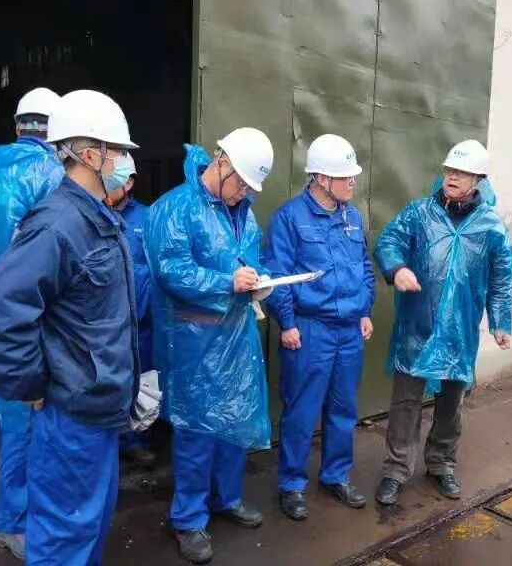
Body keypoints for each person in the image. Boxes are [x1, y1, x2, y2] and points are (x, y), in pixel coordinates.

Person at [0, 89, 141, 565]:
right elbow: (1, 305)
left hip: (99, 409)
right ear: (90, 155)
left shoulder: (98, 217)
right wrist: (29, 383)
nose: (125, 161)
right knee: (65, 538)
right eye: (119, 151)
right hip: (71, 415)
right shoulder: (58, 223)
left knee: (89, 529)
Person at [144, 128, 274, 564]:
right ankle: (188, 518)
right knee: (197, 430)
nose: (244, 193)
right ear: (221, 163)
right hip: (194, 340)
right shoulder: (176, 208)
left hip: (235, 334)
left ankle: (226, 497)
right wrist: (226, 282)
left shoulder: (243, 212)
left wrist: (257, 280)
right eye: (242, 183)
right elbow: (170, 271)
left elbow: (247, 260)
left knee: (234, 421)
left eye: (250, 187)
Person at [373, 139, 512, 506]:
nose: (452, 177)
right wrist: (397, 268)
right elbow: (389, 241)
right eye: (450, 170)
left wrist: (501, 322)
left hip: (459, 329)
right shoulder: (419, 213)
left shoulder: (491, 227)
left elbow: (502, 277)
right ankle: (395, 470)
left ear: (478, 180)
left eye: (462, 172)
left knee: (451, 403)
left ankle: (441, 464)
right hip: (417, 325)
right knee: (406, 401)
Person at [0, 86, 62, 560]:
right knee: (33, 422)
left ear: (17, 126)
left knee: (11, 416)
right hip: (33, 317)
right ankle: (17, 522)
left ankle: (13, 516)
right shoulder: (51, 173)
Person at [263, 134, 375, 521]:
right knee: (301, 410)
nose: (353, 182)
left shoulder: (352, 217)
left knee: (343, 408)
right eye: (345, 176)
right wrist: (287, 323)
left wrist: (364, 310)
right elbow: (276, 275)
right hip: (310, 330)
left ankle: (335, 475)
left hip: (348, 331)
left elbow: (363, 267)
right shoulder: (290, 218)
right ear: (322, 179)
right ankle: (291, 484)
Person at [106, 155, 158, 468]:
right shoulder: (92, 214)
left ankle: (137, 441)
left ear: (129, 182)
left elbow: (159, 269)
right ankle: (109, 442)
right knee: (109, 382)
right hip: (106, 323)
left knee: (142, 383)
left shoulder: (147, 219)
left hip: (141, 322)